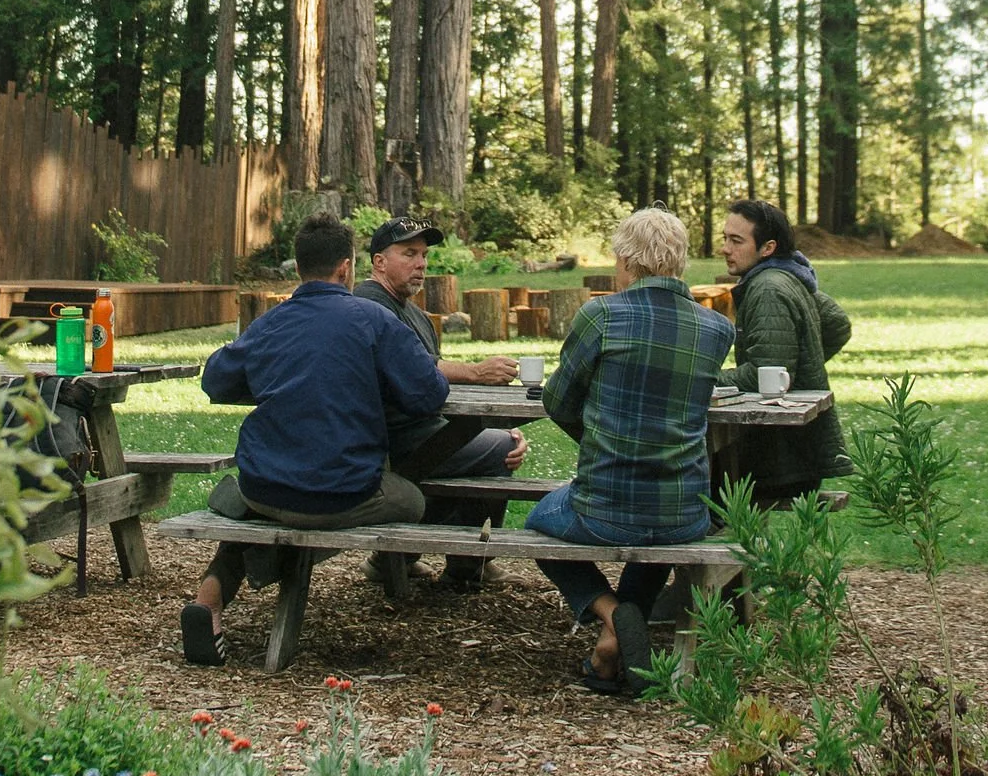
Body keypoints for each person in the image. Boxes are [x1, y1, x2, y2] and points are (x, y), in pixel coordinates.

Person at [180, 214, 444, 665]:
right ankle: (299, 569)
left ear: (298, 268)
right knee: (411, 499)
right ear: (347, 268)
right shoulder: (373, 319)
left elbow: (217, 380)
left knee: (256, 504)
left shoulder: (269, 322)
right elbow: (429, 394)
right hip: (341, 492)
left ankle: (210, 602)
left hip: (265, 486)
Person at [524, 204, 732, 696]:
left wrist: (597, 436)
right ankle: (609, 648)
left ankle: (613, 617)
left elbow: (557, 400)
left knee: (536, 524)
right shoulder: (717, 330)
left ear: (627, 262)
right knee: (660, 530)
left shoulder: (601, 315)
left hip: (605, 505)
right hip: (684, 510)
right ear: (679, 261)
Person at [360, 218, 526, 590]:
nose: (420, 263)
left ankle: (396, 557)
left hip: (426, 430)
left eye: (423, 255)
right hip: (393, 440)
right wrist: (475, 371)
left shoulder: (416, 314)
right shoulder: (368, 304)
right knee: (501, 450)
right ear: (379, 262)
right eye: (409, 254)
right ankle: (467, 565)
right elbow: (412, 370)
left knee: (500, 440)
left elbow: (432, 381)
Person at [719, 197, 853, 492]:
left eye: (737, 241)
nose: (725, 249)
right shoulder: (788, 275)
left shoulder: (768, 288)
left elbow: (762, 374)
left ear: (768, 248)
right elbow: (837, 323)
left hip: (782, 460)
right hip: (799, 451)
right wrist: (804, 359)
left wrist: (705, 378)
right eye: (725, 238)